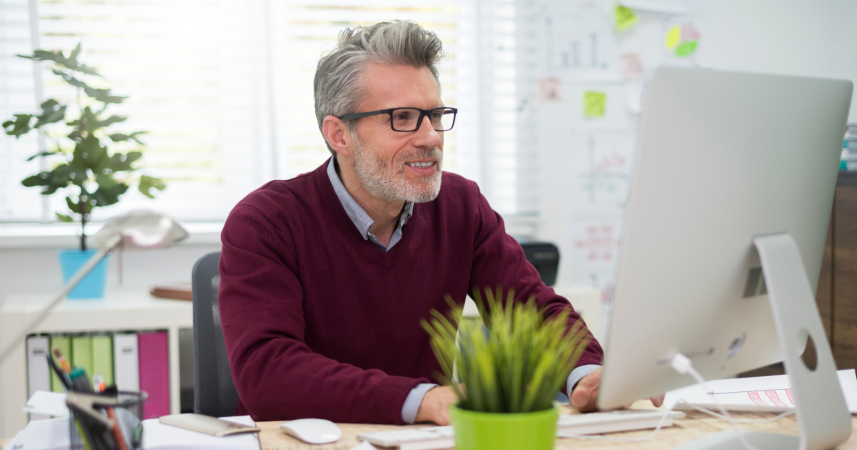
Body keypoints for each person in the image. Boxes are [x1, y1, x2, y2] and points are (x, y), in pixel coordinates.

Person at [218, 20, 656, 426]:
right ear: (339, 135)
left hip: (423, 440)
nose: (430, 136)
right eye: (403, 118)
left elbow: (529, 309)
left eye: (435, 115)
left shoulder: (461, 205)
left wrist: (586, 373)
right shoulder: (266, 222)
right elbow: (267, 373)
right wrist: (424, 400)